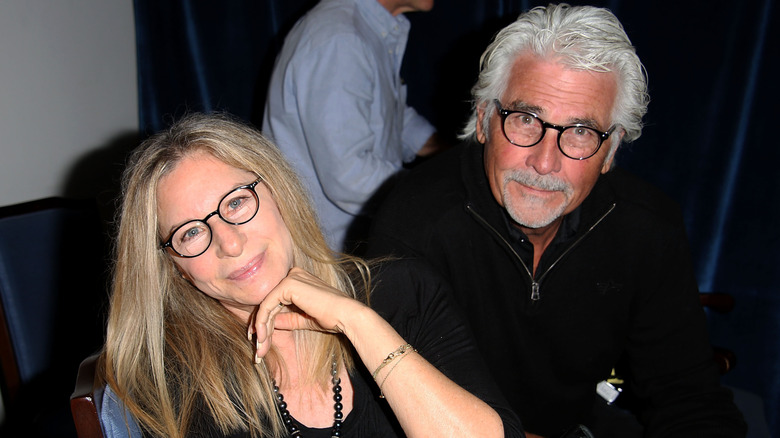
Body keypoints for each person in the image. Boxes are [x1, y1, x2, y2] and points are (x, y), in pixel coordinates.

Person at [366, 4, 747, 438]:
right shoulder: (416, 220)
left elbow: (688, 397)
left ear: (612, 150)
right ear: (484, 120)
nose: (545, 162)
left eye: (581, 131)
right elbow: (388, 407)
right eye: (526, 120)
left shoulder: (646, 227)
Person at [97, 112, 523, 437]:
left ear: (279, 191)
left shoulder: (405, 293)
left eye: (236, 203)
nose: (229, 243)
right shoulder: (178, 385)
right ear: (176, 270)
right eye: (191, 233)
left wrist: (358, 322)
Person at [262, 0, 449, 252]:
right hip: (335, 257)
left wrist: (451, 153)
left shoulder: (360, 29)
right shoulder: (340, 38)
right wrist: (442, 192)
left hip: (346, 248)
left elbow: (390, 117)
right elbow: (349, 174)